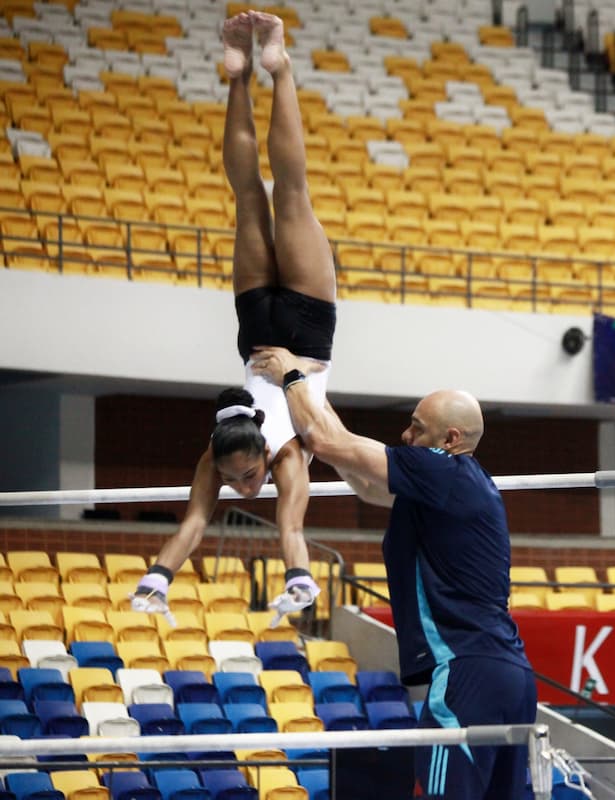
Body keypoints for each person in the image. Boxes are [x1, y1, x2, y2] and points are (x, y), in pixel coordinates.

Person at [250, 346, 537, 800]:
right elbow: (362, 480)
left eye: (417, 429)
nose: (405, 435)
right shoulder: (461, 484)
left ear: (450, 439)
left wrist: (291, 376)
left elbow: (328, 443)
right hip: (510, 672)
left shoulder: (441, 471)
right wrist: (310, 391)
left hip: (466, 670)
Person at [132, 10, 337, 623]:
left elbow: (206, 522)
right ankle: (266, 69)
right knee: (285, 193)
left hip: (278, 331)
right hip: (296, 334)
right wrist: (157, 581)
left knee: (263, 195)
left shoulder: (228, 450)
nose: (247, 487)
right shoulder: (275, 457)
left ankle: (246, 74)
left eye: (244, 478)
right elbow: (281, 528)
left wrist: (156, 580)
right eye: (242, 480)